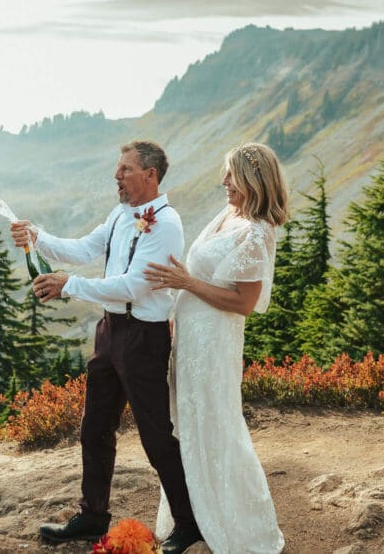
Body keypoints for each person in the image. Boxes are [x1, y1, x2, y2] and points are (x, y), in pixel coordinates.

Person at [10, 141, 202, 554]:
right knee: (94, 428)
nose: (117, 175)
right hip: (110, 331)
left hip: (144, 338)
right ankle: (93, 517)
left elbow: (135, 285)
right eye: (118, 168)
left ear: (150, 175)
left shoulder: (166, 224)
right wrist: (36, 238)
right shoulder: (120, 214)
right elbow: (82, 249)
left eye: (125, 169)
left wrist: (68, 284)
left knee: (155, 436)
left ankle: (189, 524)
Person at [144, 142, 288, 554]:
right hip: (191, 338)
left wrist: (187, 283)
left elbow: (243, 303)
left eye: (231, 175)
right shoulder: (229, 216)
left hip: (215, 343)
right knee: (186, 424)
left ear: (252, 179)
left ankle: (236, 526)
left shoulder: (257, 230)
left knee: (215, 423)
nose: (223, 182)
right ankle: (191, 516)